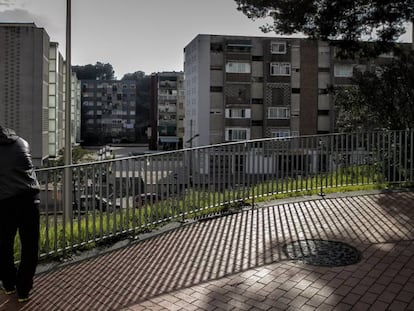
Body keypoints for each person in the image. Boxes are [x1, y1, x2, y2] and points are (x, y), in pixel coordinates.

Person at [0, 125, 40, 303]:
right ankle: (24, 289)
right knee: (30, 246)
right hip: (30, 200)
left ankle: (9, 285)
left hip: (5, 203)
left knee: (3, 245)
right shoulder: (22, 143)